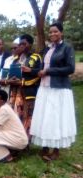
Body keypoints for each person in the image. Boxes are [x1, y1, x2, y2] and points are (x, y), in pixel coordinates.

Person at [30, 22, 76, 161]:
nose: (52, 34)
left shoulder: (67, 48)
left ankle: (56, 149)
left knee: (55, 118)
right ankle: (44, 146)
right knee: (44, 116)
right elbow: (42, 67)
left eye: (55, 31)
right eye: (50, 32)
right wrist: (35, 71)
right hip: (44, 88)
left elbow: (70, 68)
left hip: (59, 89)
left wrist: (48, 71)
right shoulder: (47, 49)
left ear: (61, 33)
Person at [4, 34, 41, 135]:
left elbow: (39, 74)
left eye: (24, 44)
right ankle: (15, 140)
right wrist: (10, 80)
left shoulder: (35, 57)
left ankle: (25, 142)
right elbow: (9, 73)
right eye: (20, 44)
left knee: (27, 116)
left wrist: (24, 80)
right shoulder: (15, 59)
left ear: (30, 44)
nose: (21, 46)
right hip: (15, 92)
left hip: (28, 92)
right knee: (15, 116)